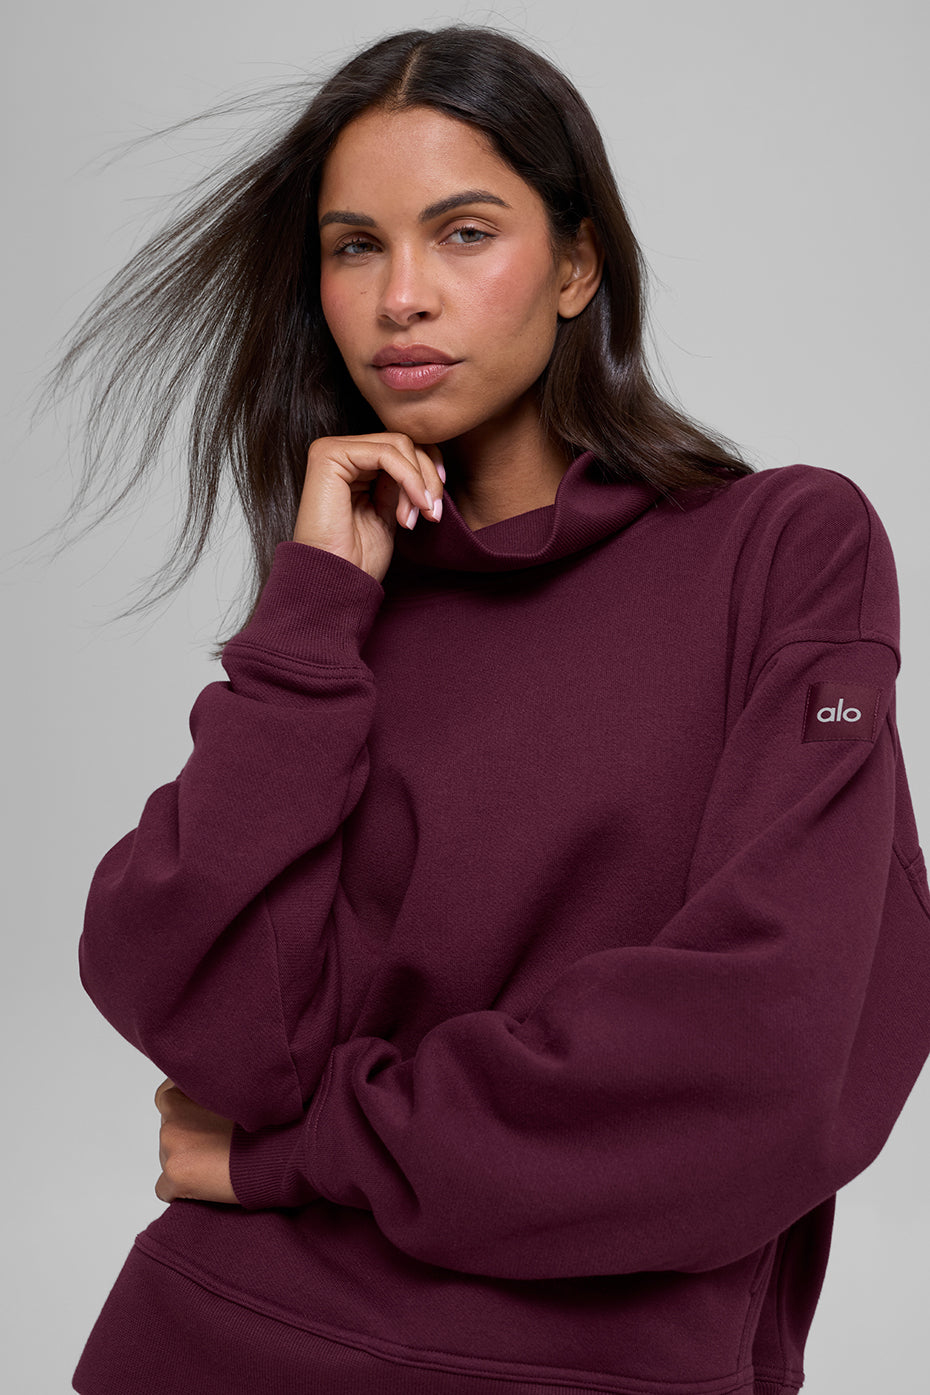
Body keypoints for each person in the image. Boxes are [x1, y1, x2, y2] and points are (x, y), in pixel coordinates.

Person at [54, 22, 930, 1395]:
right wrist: (308, 616)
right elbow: (196, 1007)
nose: (402, 296)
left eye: (463, 233)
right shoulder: (347, 612)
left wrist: (301, 1153)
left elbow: (764, 1063)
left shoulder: (782, 549)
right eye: (355, 246)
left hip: (587, 1366)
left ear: (577, 264)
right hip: (210, 1339)